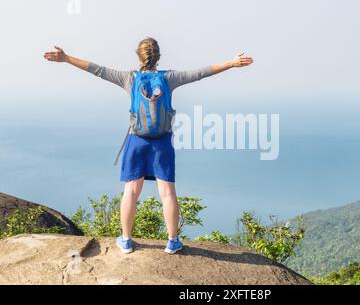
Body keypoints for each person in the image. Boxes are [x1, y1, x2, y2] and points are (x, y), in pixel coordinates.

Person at [43, 37, 253, 254]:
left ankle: (125, 240)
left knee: (131, 191)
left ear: (138, 55)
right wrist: (231, 63)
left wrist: (66, 58)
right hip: (162, 142)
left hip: (136, 140)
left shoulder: (129, 78)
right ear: (158, 56)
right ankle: (172, 242)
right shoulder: (170, 78)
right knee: (168, 193)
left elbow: (97, 70)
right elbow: (201, 73)